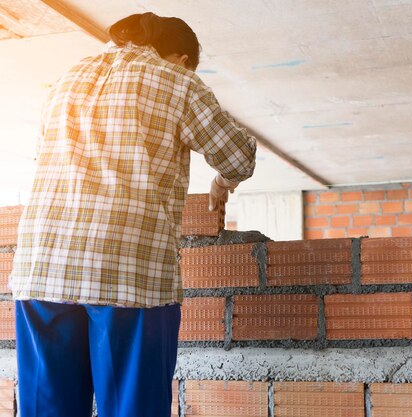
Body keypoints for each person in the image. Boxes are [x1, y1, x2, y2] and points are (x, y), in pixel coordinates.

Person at [10, 12, 256, 417]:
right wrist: (222, 183)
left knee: (45, 409)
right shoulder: (177, 81)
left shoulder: (65, 81)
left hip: (42, 269)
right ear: (179, 57)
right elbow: (238, 155)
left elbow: (43, 159)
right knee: (132, 408)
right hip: (128, 272)